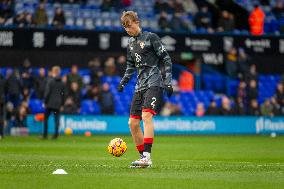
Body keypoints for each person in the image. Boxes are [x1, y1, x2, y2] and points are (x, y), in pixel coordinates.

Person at [117, 11, 173, 168]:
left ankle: (147, 157)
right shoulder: (130, 43)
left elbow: (166, 59)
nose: (128, 30)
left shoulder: (151, 38)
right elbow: (130, 65)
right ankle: (143, 158)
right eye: (125, 28)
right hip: (139, 85)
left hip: (154, 82)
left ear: (137, 22)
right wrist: (123, 82)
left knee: (146, 116)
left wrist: (168, 81)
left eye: (130, 26)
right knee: (133, 123)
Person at [43, 66, 65, 139]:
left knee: (46, 119)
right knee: (57, 120)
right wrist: (62, 104)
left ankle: (45, 135)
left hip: (49, 103)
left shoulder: (50, 81)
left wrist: (45, 102)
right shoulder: (62, 82)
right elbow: (63, 94)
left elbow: (47, 92)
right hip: (57, 104)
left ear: (53, 71)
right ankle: (56, 135)